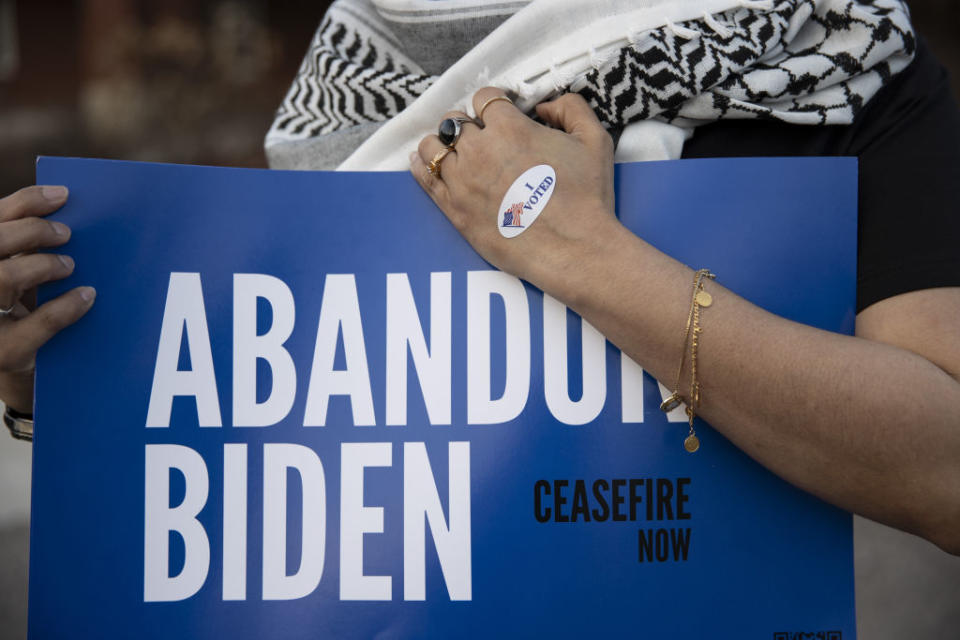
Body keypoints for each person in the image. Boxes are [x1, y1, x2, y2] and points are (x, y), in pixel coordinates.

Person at [2, 0, 959, 557]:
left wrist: (582, 253)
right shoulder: (342, 91)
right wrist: (70, 386)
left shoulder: (830, 48)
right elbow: (301, 454)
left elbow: (944, 471)